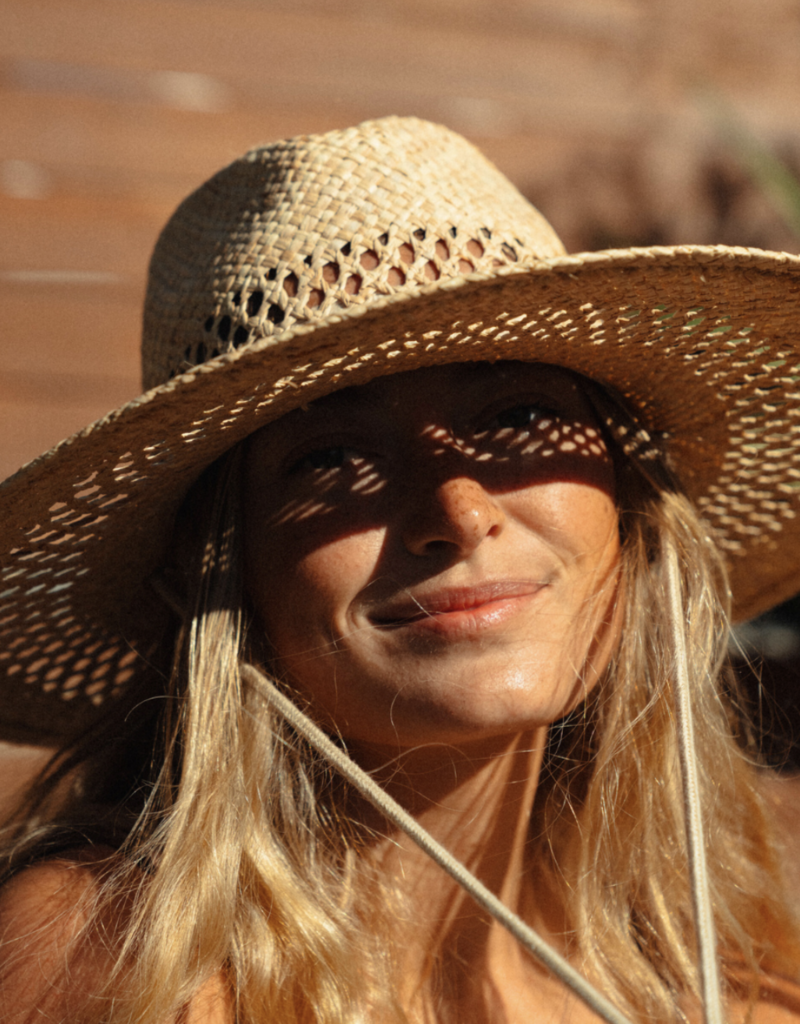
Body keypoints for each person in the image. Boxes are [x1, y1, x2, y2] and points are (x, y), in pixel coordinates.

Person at [0, 116, 799, 1024]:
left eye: (518, 417)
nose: (458, 514)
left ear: (630, 500)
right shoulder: (122, 963)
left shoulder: (726, 1001)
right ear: (209, 565)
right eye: (331, 457)